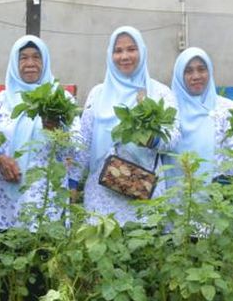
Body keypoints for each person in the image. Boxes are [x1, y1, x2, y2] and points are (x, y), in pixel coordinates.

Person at [75, 26, 181, 224]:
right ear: (110, 55)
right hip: (102, 193)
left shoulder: (159, 92)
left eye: (131, 49)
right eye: (118, 50)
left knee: (143, 247)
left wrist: (152, 139)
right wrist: (73, 183)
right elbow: (84, 144)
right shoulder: (98, 94)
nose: (124, 56)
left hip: (143, 192)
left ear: (142, 51)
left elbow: (173, 137)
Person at [0, 35, 78, 229]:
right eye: (23, 58)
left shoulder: (60, 99)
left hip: (46, 194)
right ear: (14, 62)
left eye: (36, 57)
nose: (30, 63)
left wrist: (58, 132)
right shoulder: (0, 101)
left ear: (45, 61)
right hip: (4, 192)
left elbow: (77, 143)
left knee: (45, 248)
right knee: (5, 250)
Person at [168, 47, 233, 181]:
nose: (196, 76)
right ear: (179, 75)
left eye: (201, 69)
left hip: (218, 196)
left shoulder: (226, 108)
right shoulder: (170, 109)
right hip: (177, 194)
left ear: (210, 71)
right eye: (188, 71)